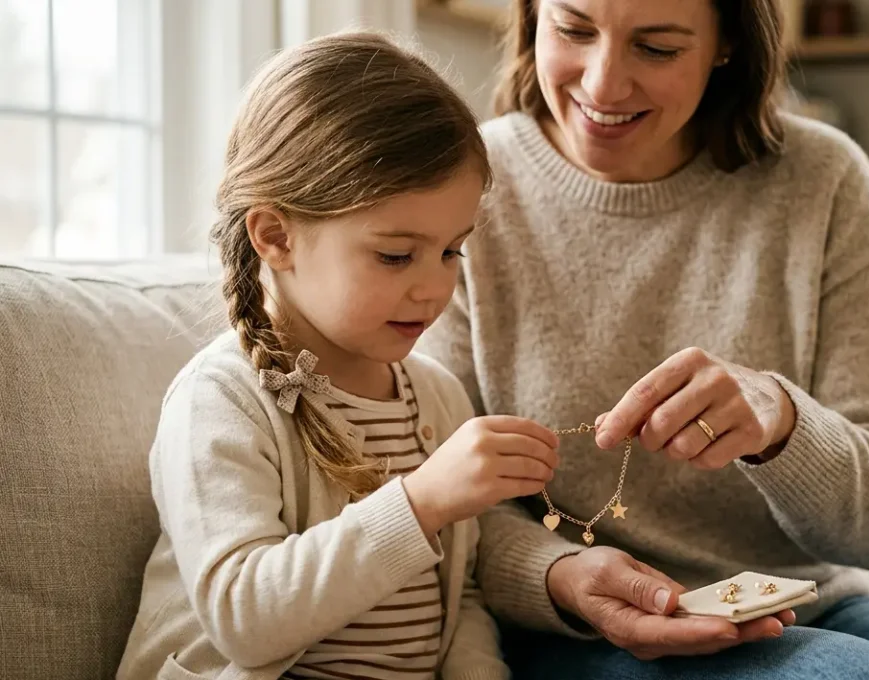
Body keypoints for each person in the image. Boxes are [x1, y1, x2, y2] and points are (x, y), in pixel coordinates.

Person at [422, 0, 869, 678]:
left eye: (657, 47)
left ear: (727, 45)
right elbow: (445, 498)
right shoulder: (463, 190)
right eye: (573, 29)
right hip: (575, 628)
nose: (602, 84)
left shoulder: (823, 180)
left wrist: (784, 424)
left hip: (802, 605)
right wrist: (558, 574)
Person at [117, 32, 560, 680]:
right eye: (395, 254)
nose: (435, 286)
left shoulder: (435, 398)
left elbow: (457, 597)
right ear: (276, 236)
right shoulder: (223, 399)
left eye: (451, 251)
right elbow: (245, 618)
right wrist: (421, 502)